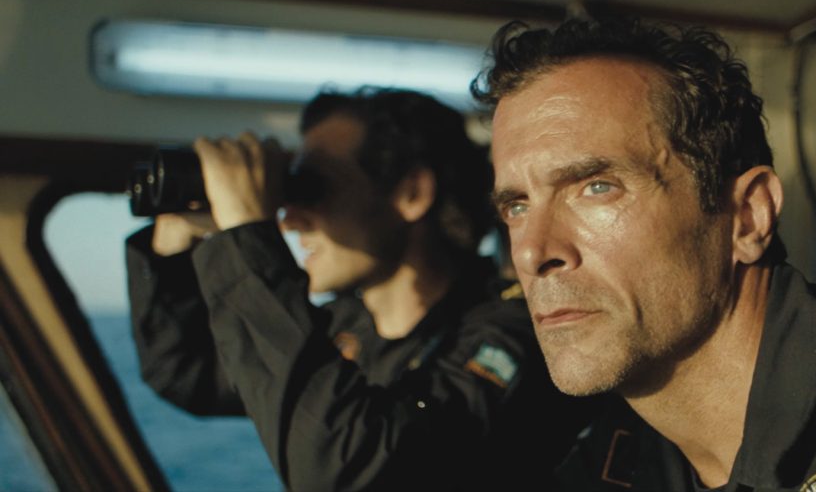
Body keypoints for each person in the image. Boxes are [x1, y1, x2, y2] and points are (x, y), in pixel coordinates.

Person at [474, 17, 816, 491]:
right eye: (516, 206)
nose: (534, 252)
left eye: (597, 187)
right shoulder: (611, 456)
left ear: (748, 216)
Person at [126, 88, 589, 491]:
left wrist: (247, 232)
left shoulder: (517, 332)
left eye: (314, 188)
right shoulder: (341, 327)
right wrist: (172, 244)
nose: (290, 219)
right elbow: (187, 373)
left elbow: (349, 469)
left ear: (411, 193)